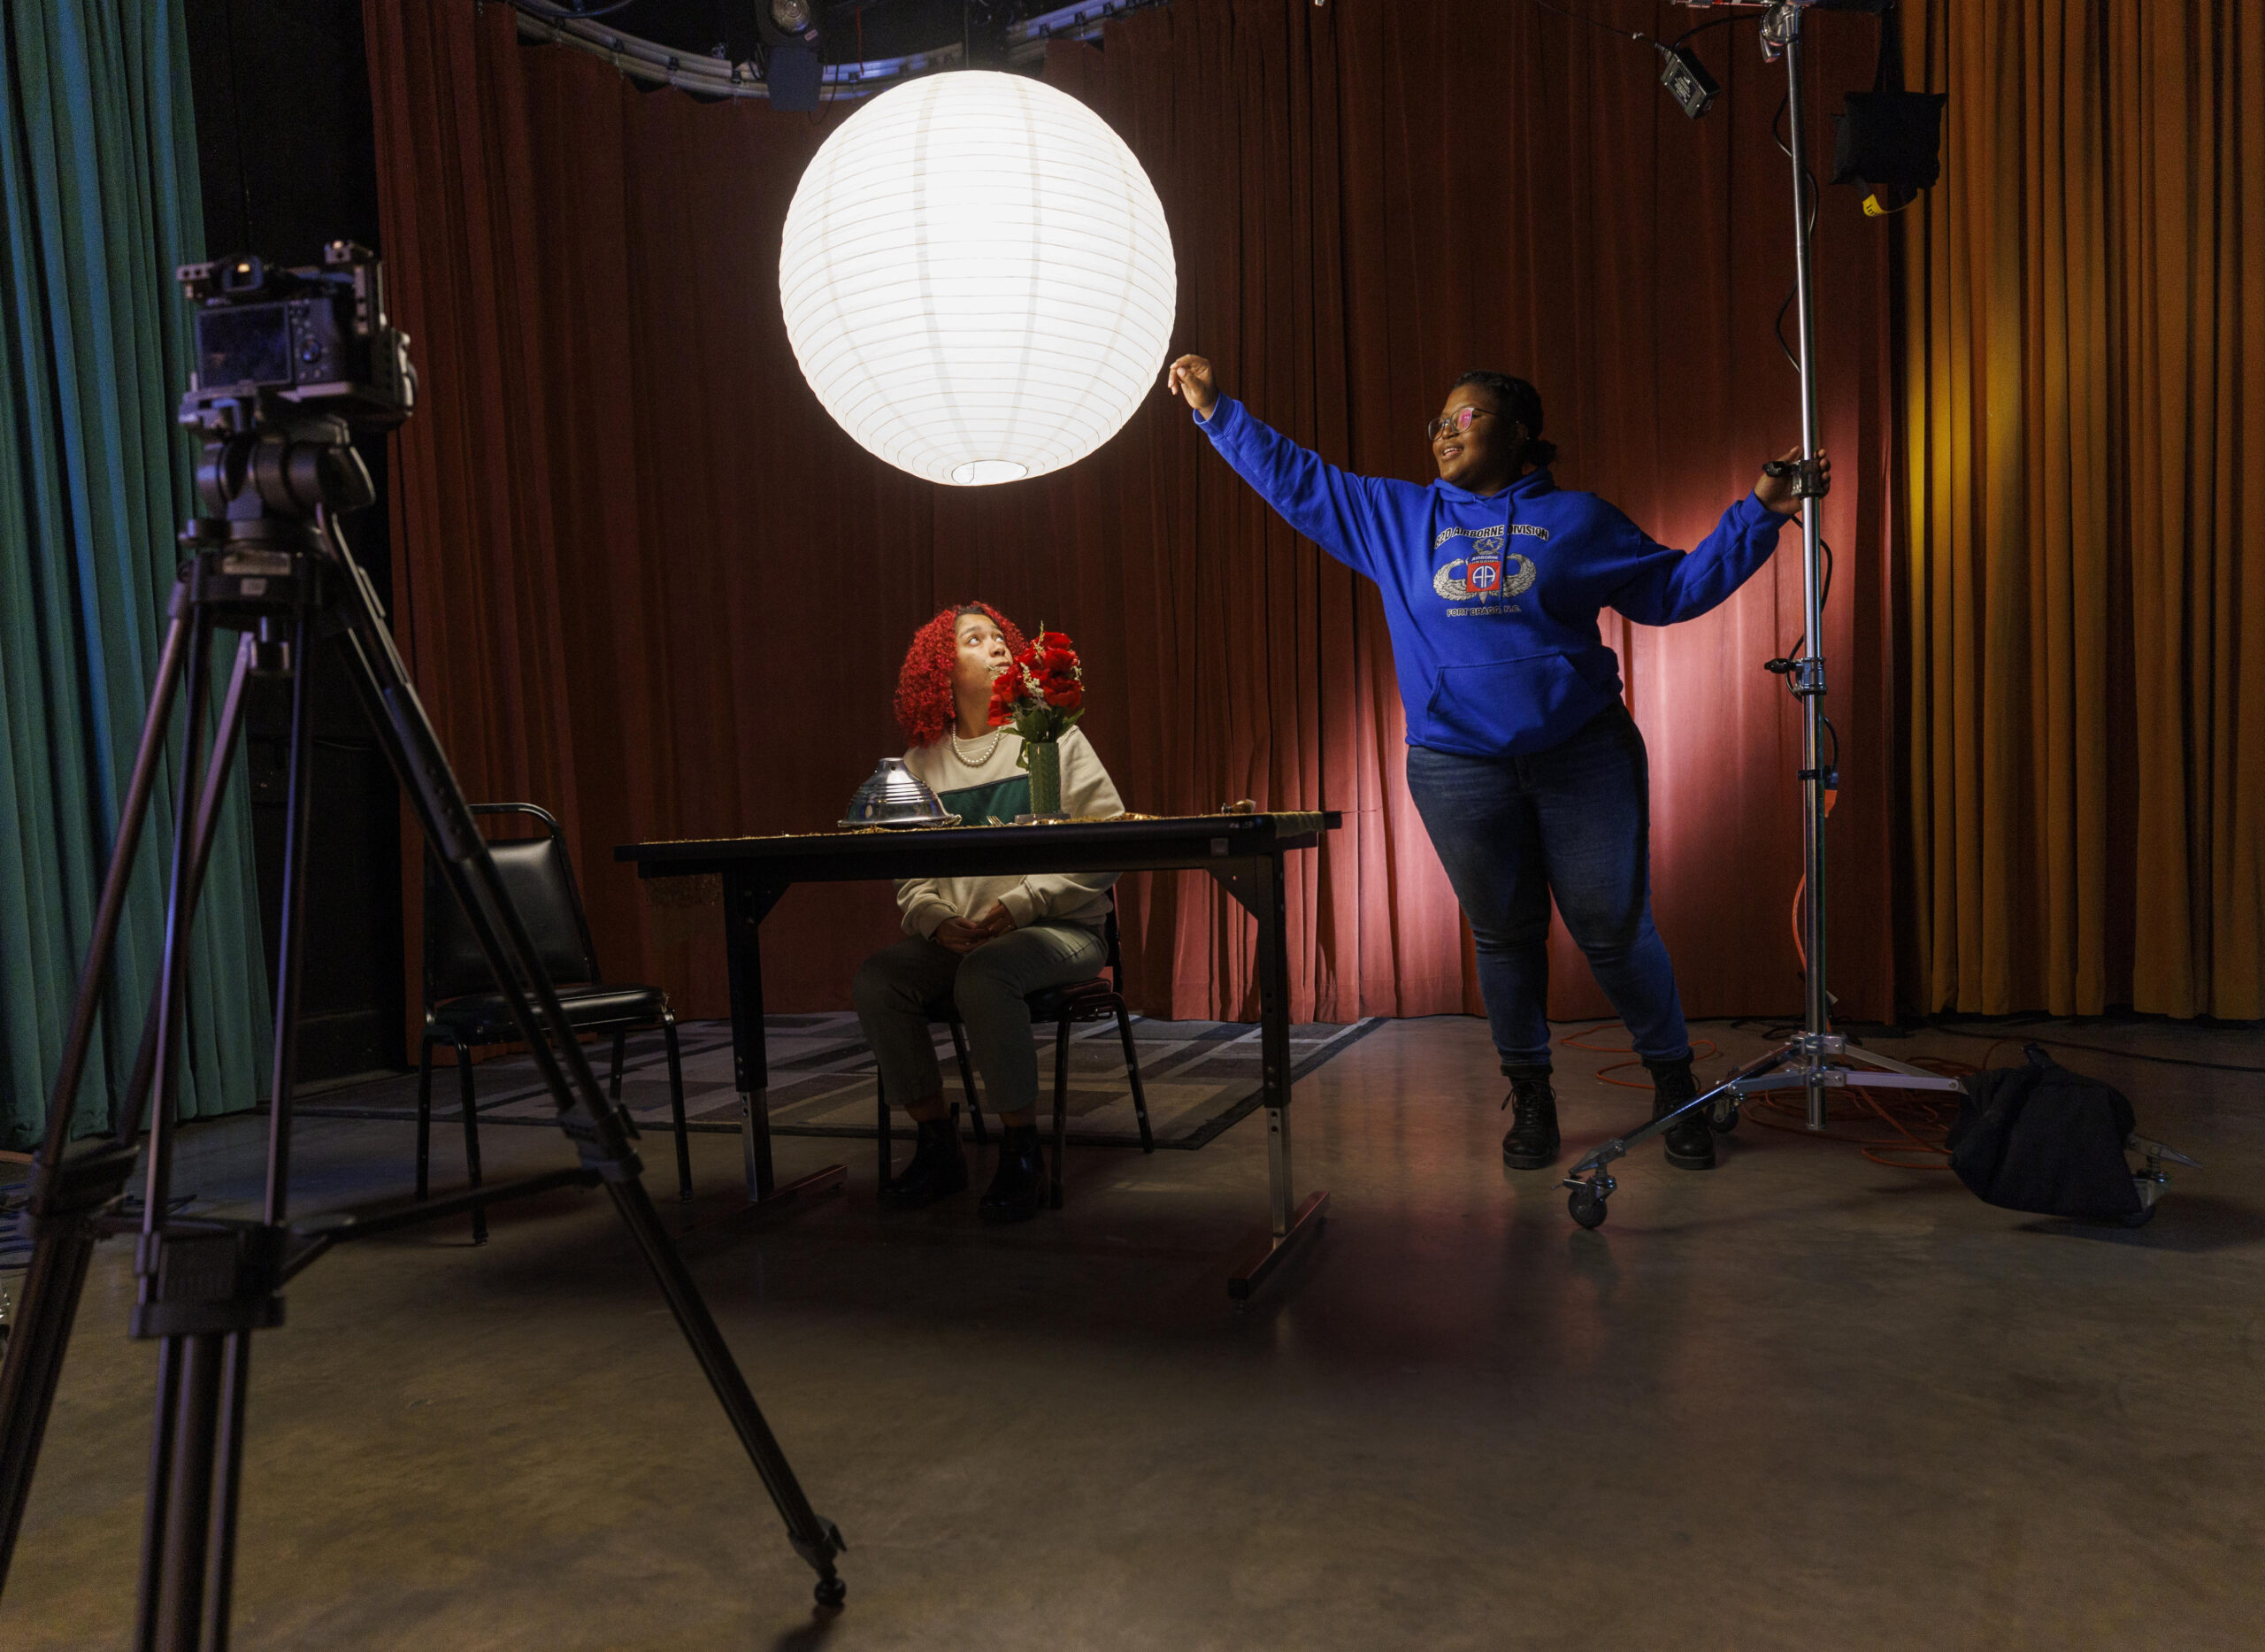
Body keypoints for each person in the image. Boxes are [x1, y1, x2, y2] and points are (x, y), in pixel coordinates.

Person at [1164, 356, 1820, 1172]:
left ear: (1518, 436)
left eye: (1466, 416)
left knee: (1613, 932)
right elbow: (1297, 480)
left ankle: (1674, 1083)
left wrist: (1759, 514)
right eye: (1439, 417)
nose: (1444, 428)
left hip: (1583, 757)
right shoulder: (1395, 517)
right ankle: (1531, 1092)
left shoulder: (1579, 521)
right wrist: (1217, 410)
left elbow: (1673, 590)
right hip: (1456, 766)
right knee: (1504, 937)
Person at [851, 603, 1126, 1222]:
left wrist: (1024, 901)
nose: (998, 647)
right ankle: (936, 1142)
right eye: (975, 640)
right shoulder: (920, 763)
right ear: (941, 671)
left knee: (986, 975)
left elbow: (1111, 844)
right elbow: (911, 875)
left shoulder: (1052, 736)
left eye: (1001, 638)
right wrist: (934, 920)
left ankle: (1022, 1151)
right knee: (879, 980)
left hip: (1061, 930)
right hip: (960, 940)